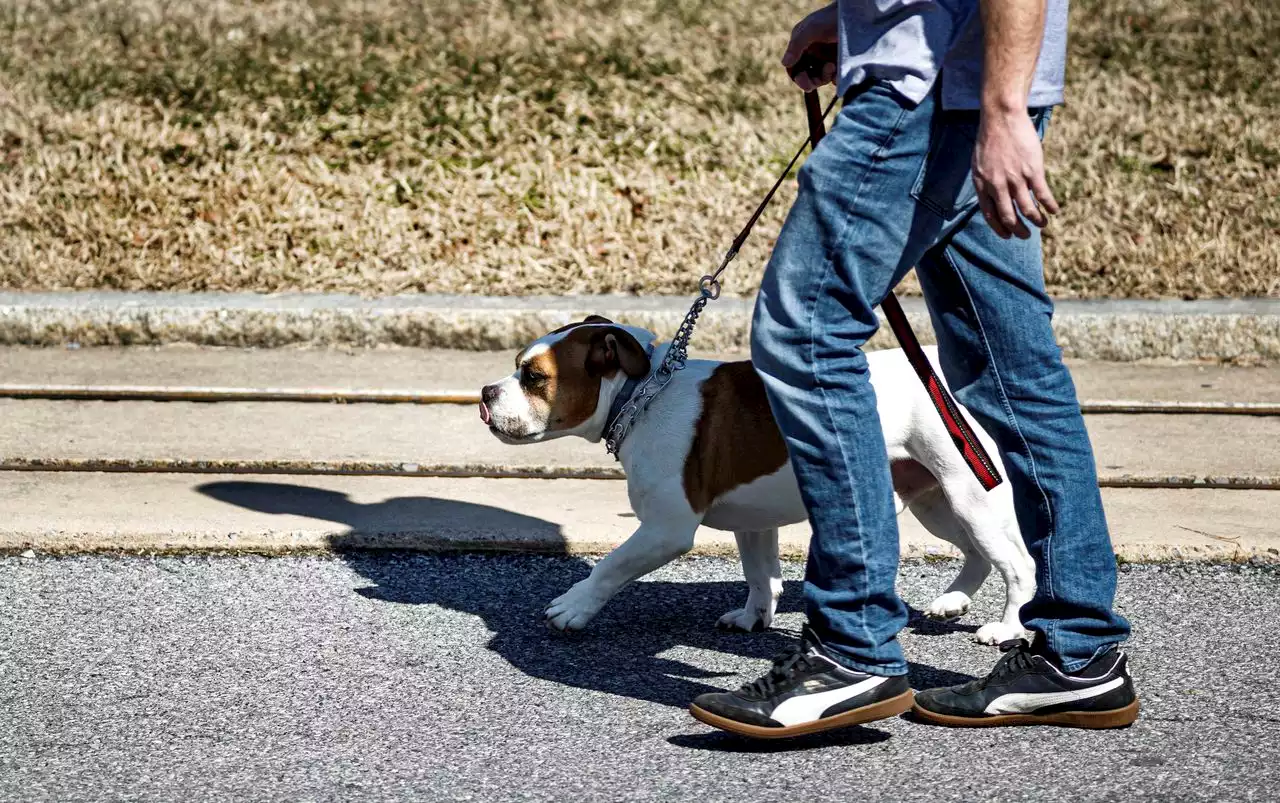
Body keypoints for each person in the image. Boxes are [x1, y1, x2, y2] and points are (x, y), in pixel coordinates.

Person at [689, 0, 1139, 737]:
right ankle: (1078, 652)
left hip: (926, 92)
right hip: (957, 78)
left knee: (804, 331)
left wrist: (1000, 107)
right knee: (1011, 366)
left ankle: (850, 645)